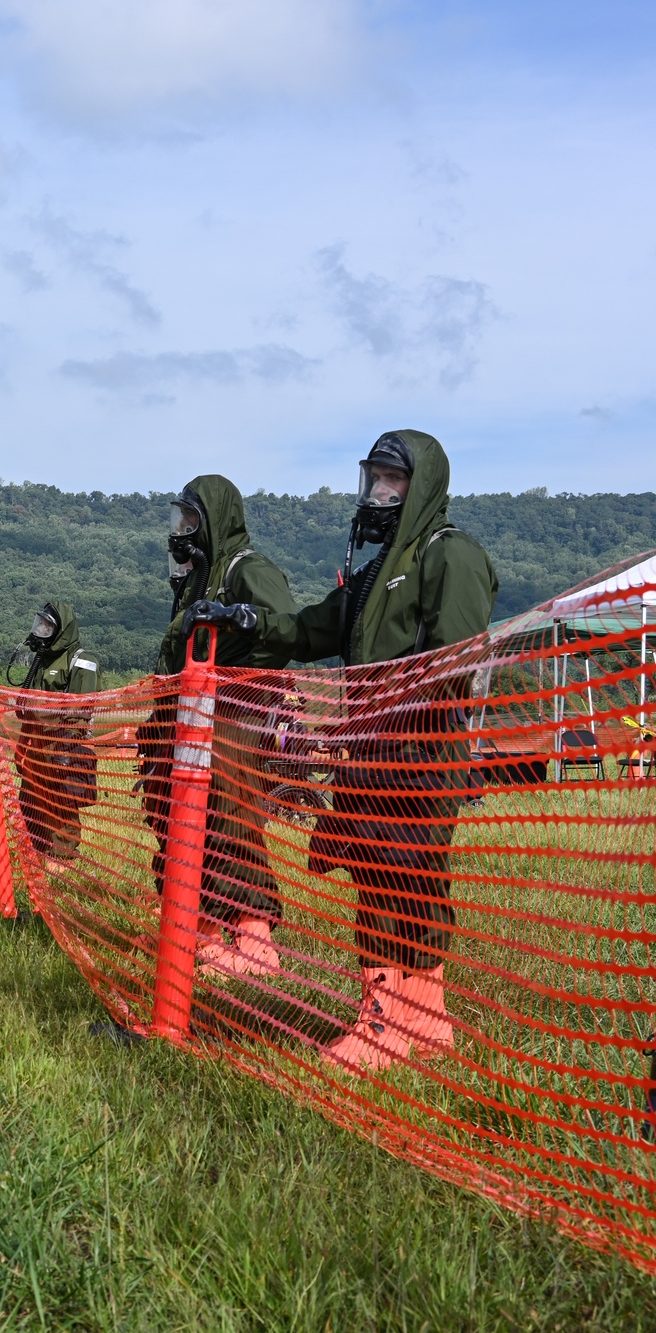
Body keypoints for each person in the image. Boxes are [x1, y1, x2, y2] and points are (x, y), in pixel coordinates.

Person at [188, 431, 498, 1062]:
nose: (379, 492)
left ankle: (397, 1020)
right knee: (382, 876)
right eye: (374, 479)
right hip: (374, 752)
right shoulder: (373, 573)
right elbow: (310, 629)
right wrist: (249, 621)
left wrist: (397, 715)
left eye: (394, 480)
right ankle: (422, 1020)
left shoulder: (451, 555)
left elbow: (454, 658)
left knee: (405, 877)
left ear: (422, 487)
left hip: (419, 753)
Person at [139, 473, 297, 977]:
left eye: (191, 518)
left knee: (230, 817)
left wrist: (237, 619)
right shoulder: (200, 578)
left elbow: (286, 627)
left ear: (214, 521)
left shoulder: (248, 569)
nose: (181, 528)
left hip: (233, 715)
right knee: (174, 813)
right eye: (178, 517)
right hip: (188, 717)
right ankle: (197, 930)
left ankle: (255, 942)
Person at [14, 601, 100, 873]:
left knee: (62, 803)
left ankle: (63, 860)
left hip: (62, 743)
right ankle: (36, 853)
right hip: (35, 743)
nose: (41, 630)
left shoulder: (82, 659)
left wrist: (66, 748)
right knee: (30, 800)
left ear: (61, 629)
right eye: (39, 624)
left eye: (47, 626)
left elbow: (80, 708)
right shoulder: (43, 659)